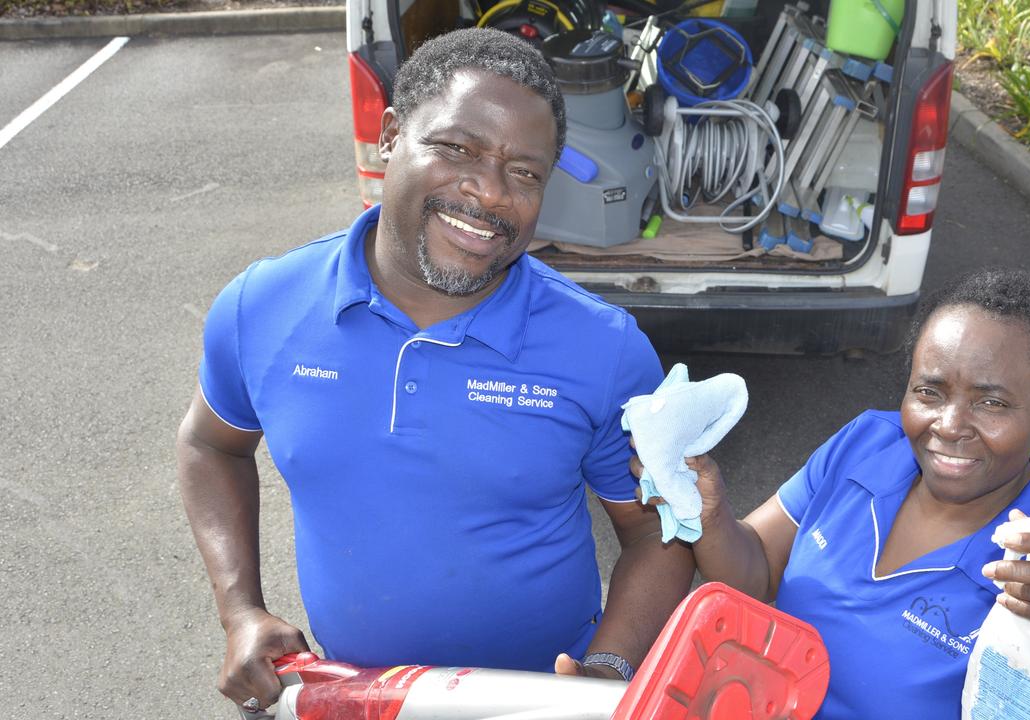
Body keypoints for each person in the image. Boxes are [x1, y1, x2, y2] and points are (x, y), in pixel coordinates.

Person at [176, 28, 693, 714]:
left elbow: (663, 531)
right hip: (355, 697)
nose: (488, 193)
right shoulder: (265, 307)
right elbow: (211, 443)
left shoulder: (603, 349)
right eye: (457, 149)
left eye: (526, 172)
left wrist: (606, 668)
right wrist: (240, 610)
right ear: (391, 135)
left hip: (543, 703)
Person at [650, 268, 1030, 718]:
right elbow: (757, 571)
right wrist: (711, 514)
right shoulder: (865, 443)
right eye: (929, 392)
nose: (949, 427)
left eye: (991, 402)